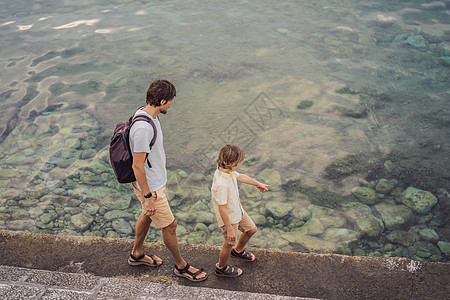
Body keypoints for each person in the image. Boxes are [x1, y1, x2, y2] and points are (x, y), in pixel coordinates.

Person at [128, 79, 207, 282]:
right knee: (170, 225)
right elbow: (137, 166)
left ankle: (136, 254)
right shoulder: (143, 129)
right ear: (162, 101)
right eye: (170, 101)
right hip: (151, 187)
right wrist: (148, 197)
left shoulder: (147, 114)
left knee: (147, 215)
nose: (171, 104)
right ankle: (181, 267)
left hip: (154, 183)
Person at [211, 144, 270, 277]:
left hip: (237, 210)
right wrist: (230, 229)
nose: (239, 165)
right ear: (233, 164)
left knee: (251, 230)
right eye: (239, 163)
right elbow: (222, 209)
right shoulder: (221, 184)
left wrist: (257, 184)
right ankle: (221, 267)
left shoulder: (228, 171)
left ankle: (237, 251)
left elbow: (241, 177)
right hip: (229, 219)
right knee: (228, 243)